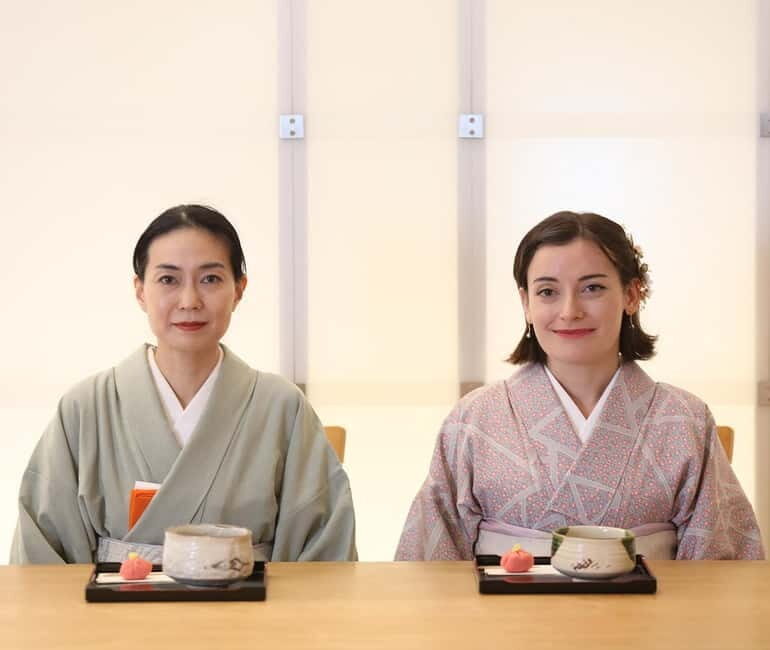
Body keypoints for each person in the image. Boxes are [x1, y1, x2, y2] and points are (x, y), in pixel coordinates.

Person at [396, 211, 763, 561]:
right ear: (525, 302)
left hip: (651, 623)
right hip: (504, 624)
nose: (570, 310)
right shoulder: (474, 418)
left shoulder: (684, 419)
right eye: (547, 292)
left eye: (592, 287)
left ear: (632, 295)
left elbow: (719, 563)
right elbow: (431, 560)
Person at [11, 204, 357, 564]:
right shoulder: (84, 407)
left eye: (210, 279)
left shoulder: (282, 406)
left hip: (253, 616)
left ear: (239, 289)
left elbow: (323, 555)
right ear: (140, 290)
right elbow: (42, 561)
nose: (190, 301)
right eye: (168, 280)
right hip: (113, 617)